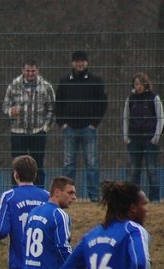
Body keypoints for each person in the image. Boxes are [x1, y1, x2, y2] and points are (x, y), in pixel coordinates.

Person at [55, 51, 107, 202]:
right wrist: (62, 123)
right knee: (68, 165)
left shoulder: (96, 81)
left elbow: (102, 103)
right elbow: (59, 103)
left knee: (92, 164)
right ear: (72, 63)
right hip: (69, 128)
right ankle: (67, 197)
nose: (79, 64)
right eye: (77, 61)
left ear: (87, 63)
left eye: (82, 61)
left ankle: (94, 196)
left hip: (88, 129)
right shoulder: (65, 81)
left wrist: (94, 123)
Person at [2, 60, 55, 187]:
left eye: (33, 71)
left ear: (38, 71)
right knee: (17, 165)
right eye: (27, 71)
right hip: (18, 132)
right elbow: (5, 106)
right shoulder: (13, 85)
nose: (30, 73)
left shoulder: (46, 87)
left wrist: (45, 128)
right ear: (22, 70)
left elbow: (52, 109)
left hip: (38, 131)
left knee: (38, 166)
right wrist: (11, 111)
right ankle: (17, 191)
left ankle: (39, 192)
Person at [122, 73, 164, 202]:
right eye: (136, 84)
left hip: (150, 139)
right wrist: (126, 137)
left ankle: (155, 198)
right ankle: (134, 198)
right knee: (135, 170)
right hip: (134, 139)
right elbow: (126, 118)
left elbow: (160, 118)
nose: (138, 86)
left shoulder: (154, 98)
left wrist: (156, 137)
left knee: (151, 169)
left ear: (145, 84)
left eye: (140, 84)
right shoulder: (131, 99)